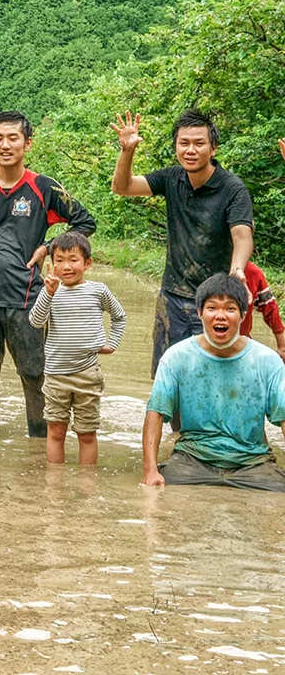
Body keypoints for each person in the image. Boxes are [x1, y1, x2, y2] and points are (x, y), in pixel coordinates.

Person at [0, 111, 95, 438]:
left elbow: (85, 223)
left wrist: (49, 247)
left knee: (35, 375)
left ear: (27, 143)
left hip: (27, 300)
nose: (5, 144)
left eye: (13, 138)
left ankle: (41, 446)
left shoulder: (43, 187)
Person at [112, 110, 252, 388]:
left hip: (215, 302)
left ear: (213, 148)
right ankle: (174, 433)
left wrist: (237, 270)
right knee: (169, 379)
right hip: (172, 297)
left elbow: (242, 234)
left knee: (215, 379)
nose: (190, 150)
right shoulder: (172, 178)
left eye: (199, 143)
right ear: (175, 146)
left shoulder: (232, 189)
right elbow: (122, 187)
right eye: (183, 143)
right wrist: (127, 151)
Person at [141, 273, 285, 491]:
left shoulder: (267, 361)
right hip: (192, 460)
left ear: (243, 315)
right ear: (199, 313)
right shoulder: (176, 357)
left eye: (230, 309)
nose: (221, 316)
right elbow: (156, 412)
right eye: (212, 308)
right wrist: (150, 470)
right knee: (154, 491)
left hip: (252, 464)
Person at [28, 232, 127, 465]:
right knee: (56, 432)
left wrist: (112, 344)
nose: (66, 266)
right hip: (55, 375)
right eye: (60, 260)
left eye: (74, 259)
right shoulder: (50, 292)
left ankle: (87, 486)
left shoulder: (98, 291)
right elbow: (35, 321)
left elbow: (119, 316)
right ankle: (54, 485)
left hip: (87, 374)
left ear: (87, 263)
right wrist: (49, 293)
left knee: (87, 433)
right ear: (52, 265)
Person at [240, 261, 285, 361]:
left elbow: (268, 306)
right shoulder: (201, 268)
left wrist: (282, 346)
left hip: (242, 345)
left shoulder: (252, 272)